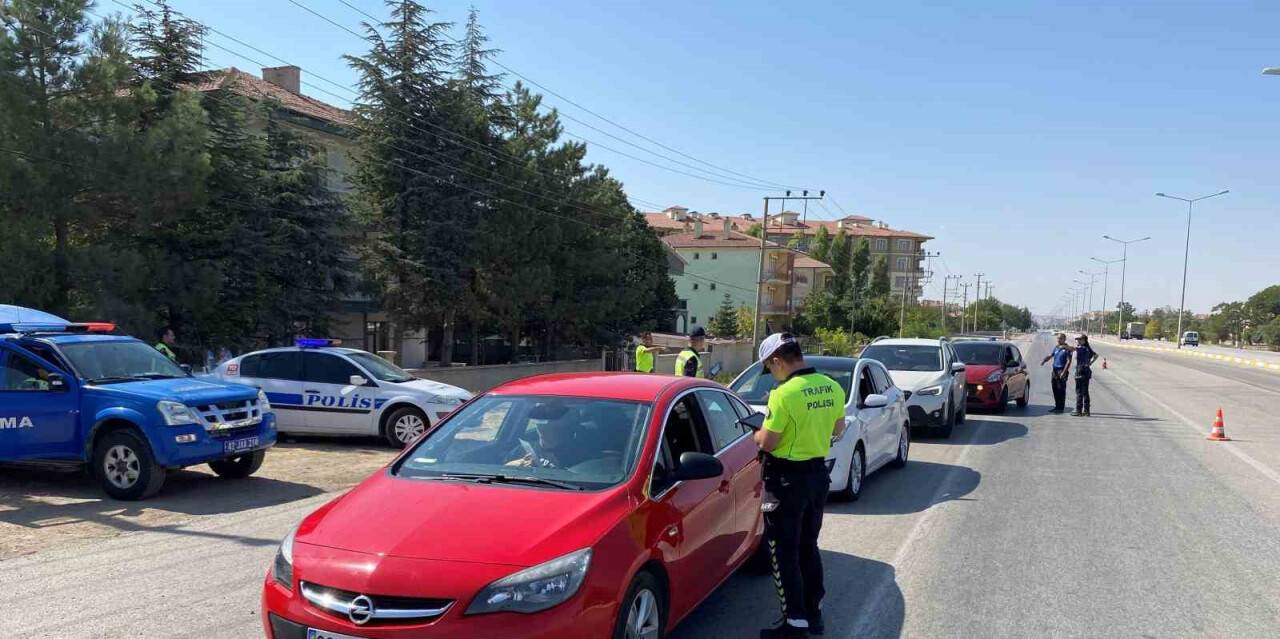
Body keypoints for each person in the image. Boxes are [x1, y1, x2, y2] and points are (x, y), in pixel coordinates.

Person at [753, 333, 847, 639]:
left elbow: (768, 441)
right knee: (808, 546)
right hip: (817, 477)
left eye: (770, 367)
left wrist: (757, 433)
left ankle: (794, 623)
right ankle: (813, 614)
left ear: (778, 361)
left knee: (783, 552)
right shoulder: (832, 387)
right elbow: (838, 429)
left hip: (785, 481)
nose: (771, 374)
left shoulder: (784, 394)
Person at [1040, 333, 1074, 413]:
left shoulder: (1067, 349)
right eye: (1058, 338)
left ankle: (1061, 408)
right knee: (1055, 389)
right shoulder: (1056, 347)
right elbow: (1051, 355)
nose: (1058, 340)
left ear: (1064, 339)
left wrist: (1064, 372)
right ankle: (1057, 406)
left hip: (1062, 370)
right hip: (1054, 371)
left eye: (1060, 338)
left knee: (1061, 390)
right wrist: (1044, 360)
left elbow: (1069, 361)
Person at [1072, 334, 1099, 416]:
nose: (1078, 341)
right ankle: (1086, 411)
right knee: (1085, 392)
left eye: (1080, 339)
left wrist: (1063, 346)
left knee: (1079, 391)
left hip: (1081, 371)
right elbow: (1096, 355)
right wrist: (1089, 363)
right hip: (1086, 371)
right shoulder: (1088, 349)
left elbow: (1072, 348)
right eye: (1077, 340)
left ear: (1084, 340)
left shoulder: (1082, 348)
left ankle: (1078, 411)